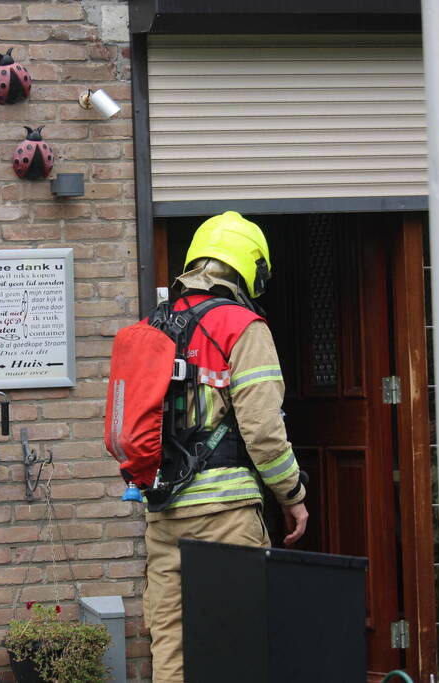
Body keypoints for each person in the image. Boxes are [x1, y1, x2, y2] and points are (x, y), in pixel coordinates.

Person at [142, 210, 309, 683]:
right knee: (236, 644)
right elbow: (262, 431)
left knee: (171, 645)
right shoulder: (242, 326)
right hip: (226, 514)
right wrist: (292, 497)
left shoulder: (156, 325)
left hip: (164, 512)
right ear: (250, 269)